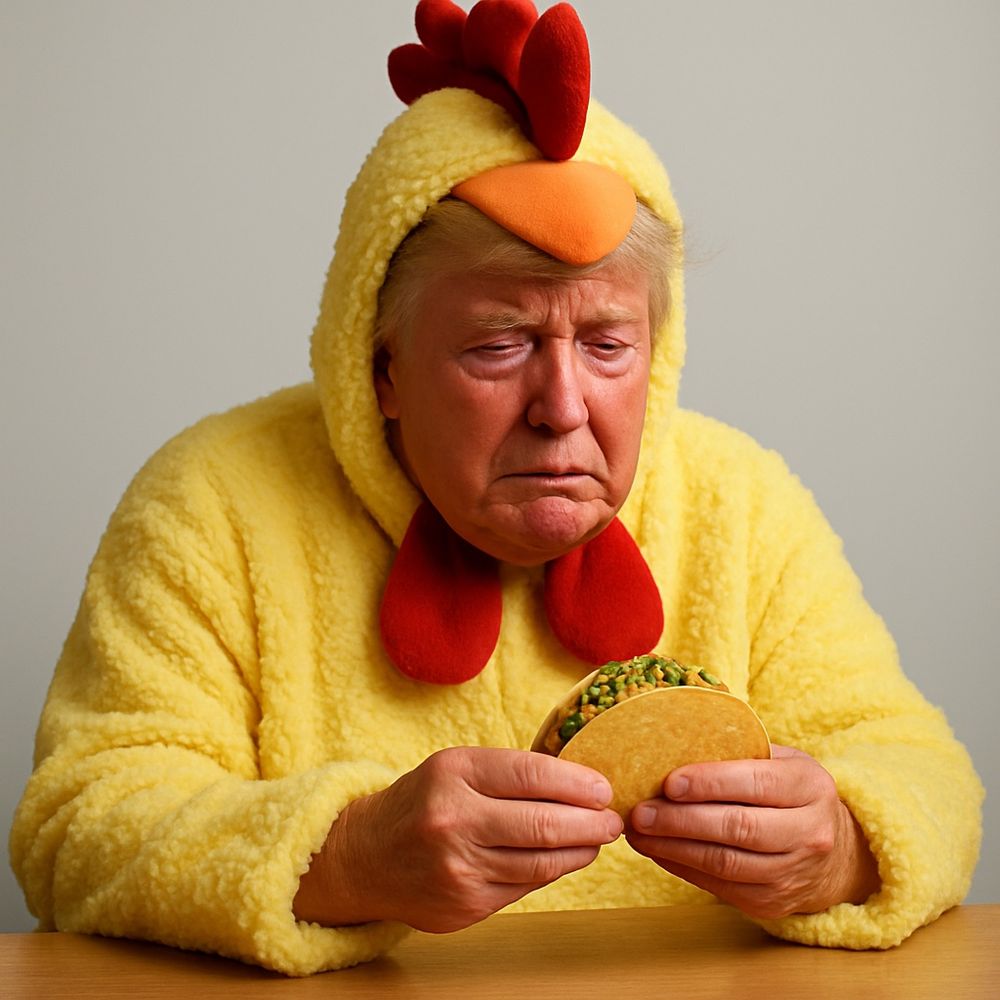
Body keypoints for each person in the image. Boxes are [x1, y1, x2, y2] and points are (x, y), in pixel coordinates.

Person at [9, 0, 982, 977]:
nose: (562, 407)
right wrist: (344, 858)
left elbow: (924, 776)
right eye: (498, 344)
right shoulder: (210, 505)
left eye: (606, 344)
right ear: (380, 368)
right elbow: (77, 825)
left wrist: (843, 846)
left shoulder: (742, 504)